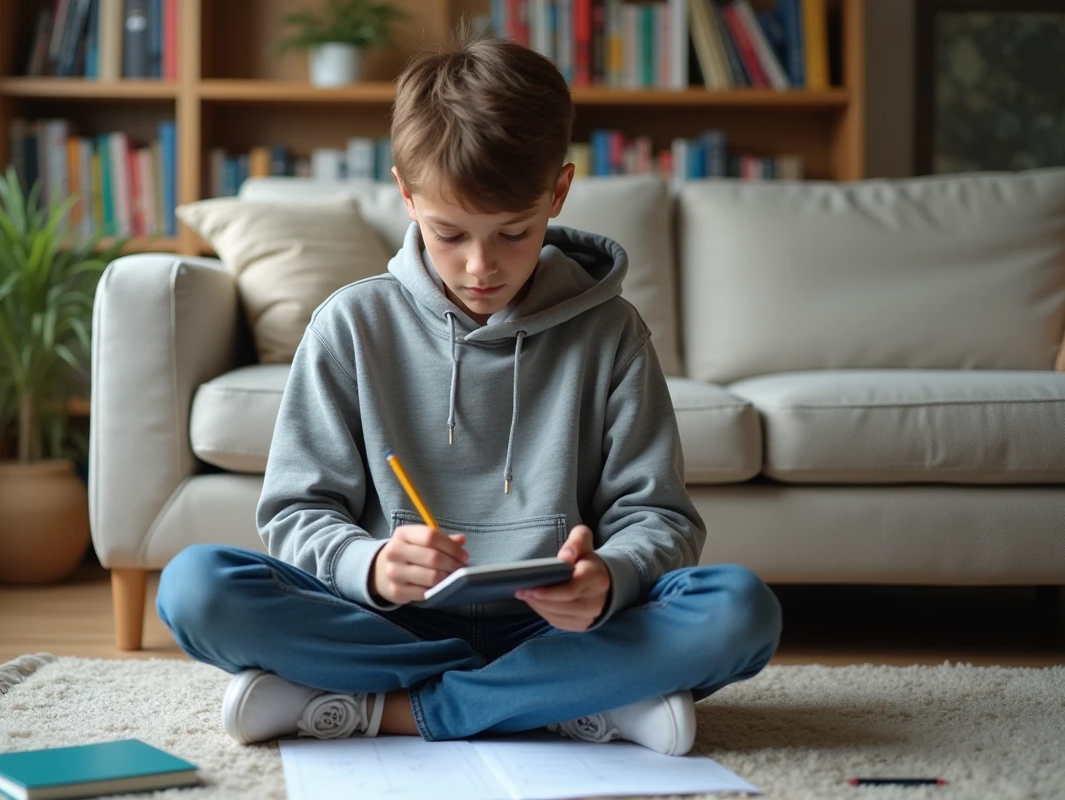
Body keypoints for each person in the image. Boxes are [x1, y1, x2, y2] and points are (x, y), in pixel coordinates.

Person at [156, 31, 781, 757]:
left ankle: (378, 710)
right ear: (406, 194)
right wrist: (373, 565)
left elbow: (660, 520)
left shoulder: (612, 333)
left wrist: (609, 578)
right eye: (449, 233)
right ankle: (573, 701)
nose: (480, 266)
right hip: (389, 620)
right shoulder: (351, 326)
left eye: (513, 233)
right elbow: (297, 514)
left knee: (740, 611)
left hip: (562, 626)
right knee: (196, 588)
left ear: (559, 192)